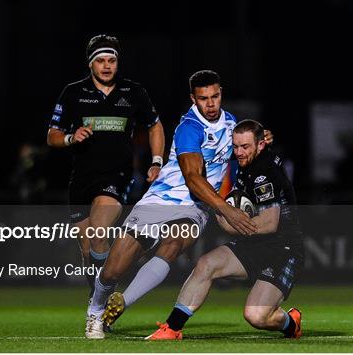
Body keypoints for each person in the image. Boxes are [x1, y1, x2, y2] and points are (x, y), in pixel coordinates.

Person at [85, 70, 272, 339]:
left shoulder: (231, 123)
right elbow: (193, 178)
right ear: (192, 99)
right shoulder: (189, 128)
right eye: (203, 98)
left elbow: (241, 151)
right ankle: (95, 308)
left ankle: (122, 303)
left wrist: (259, 142)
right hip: (162, 198)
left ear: (221, 93)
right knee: (116, 265)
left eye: (215, 96)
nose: (210, 104)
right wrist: (227, 209)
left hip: (197, 207)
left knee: (172, 244)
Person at [146, 119, 303, 340]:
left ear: (260, 145)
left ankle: (290, 323)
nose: (238, 152)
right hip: (256, 244)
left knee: (256, 316)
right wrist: (225, 215)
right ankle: (172, 328)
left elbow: (269, 224)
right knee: (206, 264)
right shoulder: (249, 161)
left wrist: (229, 220)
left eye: (245, 147)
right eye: (235, 146)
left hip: (283, 250)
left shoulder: (264, 174)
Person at [46, 34, 165, 297]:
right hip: (81, 179)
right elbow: (52, 135)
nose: (107, 65)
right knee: (88, 248)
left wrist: (157, 161)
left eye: (112, 60)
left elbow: (154, 125)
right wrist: (70, 137)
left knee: (100, 228)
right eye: (101, 60)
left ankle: (98, 306)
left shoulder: (133, 92)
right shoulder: (73, 92)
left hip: (117, 175)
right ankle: (97, 297)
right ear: (91, 64)